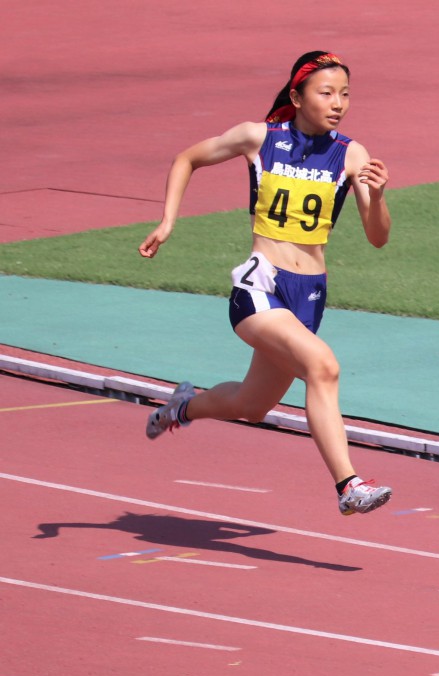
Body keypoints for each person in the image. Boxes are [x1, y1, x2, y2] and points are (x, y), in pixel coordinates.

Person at [138, 51, 394, 516]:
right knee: (324, 367)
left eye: (345, 94)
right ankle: (348, 485)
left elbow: (378, 237)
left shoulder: (351, 154)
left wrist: (376, 197)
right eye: (326, 93)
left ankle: (181, 408)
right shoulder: (259, 138)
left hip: (309, 296)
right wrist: (167, 221)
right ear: (296, 97)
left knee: (252, 405)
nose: (338, 103)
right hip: (261, 286)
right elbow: (186, 158)